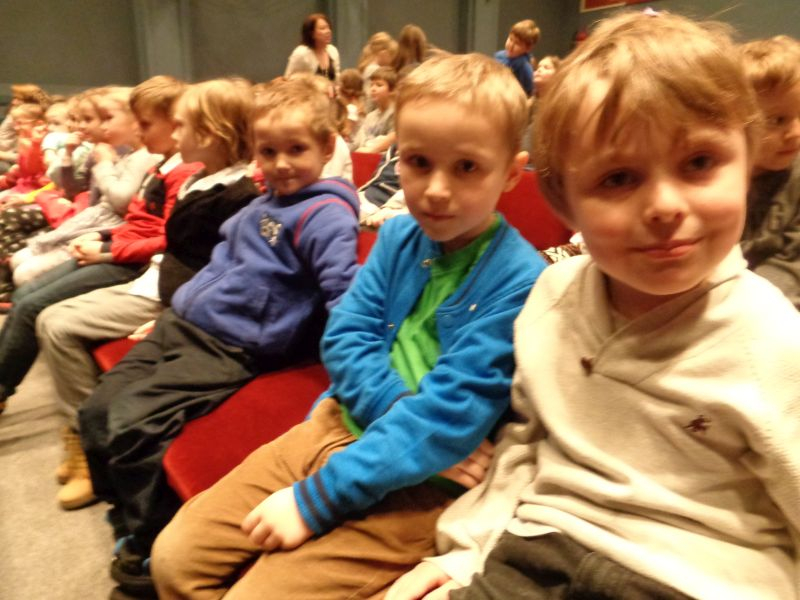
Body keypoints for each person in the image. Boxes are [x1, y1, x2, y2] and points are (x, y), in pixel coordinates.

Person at [388, 12, 800, 600]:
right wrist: (469, 549)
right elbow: (529, 441)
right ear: (565, 202)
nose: (664, 205)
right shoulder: (554, 296)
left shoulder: (774, 341)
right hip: (538, 548)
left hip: (696, 577)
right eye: (619, 178)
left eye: (698, 163)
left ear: (748, 163)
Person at [150, 52, 547, 600]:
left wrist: (314, 501)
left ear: (512, 172)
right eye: (418, 162)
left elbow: (448, 416)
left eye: (467, 167)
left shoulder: (520, 280)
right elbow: (343, 335)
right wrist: (393, 408)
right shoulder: (398, 237)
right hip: (337, 424)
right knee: (173, 560)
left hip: (424, 478)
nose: (436, 189)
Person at [78, 75, 360, 598]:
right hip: (184, 323)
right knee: (96, 411)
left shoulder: (325, 215)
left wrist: (353, 370)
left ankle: (153, 537)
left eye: (296, 150)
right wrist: (180, 307)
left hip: (232, 345)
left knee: (132, 423)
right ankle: (125, 507)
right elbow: (220, 267)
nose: (280, 164)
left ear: (326, 148)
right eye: (268, 151)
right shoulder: (261, 204)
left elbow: (344, 294)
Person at [40, 77, 263, 512]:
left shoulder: (237, 197)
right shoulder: (197, 179)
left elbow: (225, 271)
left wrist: (172, 312)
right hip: (172, 297)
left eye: (181, 126)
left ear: (211, 134)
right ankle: (88, 441)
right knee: (51, 320)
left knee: (64, 333)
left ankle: (96, 456)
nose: (174, 136)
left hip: (185, 308)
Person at [0, 81, 192, 415]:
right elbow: (133, 219)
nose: (138, 130)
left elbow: (159, 232)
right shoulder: (159, 165)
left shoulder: (175, 169)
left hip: (131, 261)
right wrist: (103, 240)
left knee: (34, 307)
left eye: (145, 122)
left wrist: (107, 250)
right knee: (26, 295)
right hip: (117, 245)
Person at [9, 88, 159, 288]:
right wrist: (67, 155)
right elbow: (72, 188)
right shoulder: (105, 150)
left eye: (89, 119)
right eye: (76, 119)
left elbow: (120, 202)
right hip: (90, 219)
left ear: (135, 121)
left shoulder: (131, 153)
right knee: (19, 259)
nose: (79, 126)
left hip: (105, 225)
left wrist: (104, 163)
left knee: (25, 272)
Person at [739, 36, 800, 308]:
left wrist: (748, 310)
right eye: (777, 120)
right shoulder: (717, 178)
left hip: (774, 306)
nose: (796, 133)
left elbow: (792, 265)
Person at [350, 66, 397, 152]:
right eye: (371, 85)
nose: (373, 89)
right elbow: (358, 142)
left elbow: (394, 137)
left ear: (392, 90)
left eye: (379, 85)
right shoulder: (370, 116)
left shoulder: (395, 113)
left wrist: (372, 150)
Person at [284, 12, 340, 83]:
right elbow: (288, 80)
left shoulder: (333, 51)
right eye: (322, 28)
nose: (328, 31)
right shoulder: (301, 53)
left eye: (328, 27)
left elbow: (337, 80)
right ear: (312, 34)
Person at [494, 19, 540, 97]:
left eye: (517, 43)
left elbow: (528, 93)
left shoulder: (524, 67)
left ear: (528, 48)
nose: (511, 45)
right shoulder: (499, 56)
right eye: (510, 39)